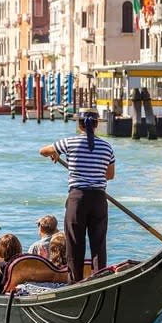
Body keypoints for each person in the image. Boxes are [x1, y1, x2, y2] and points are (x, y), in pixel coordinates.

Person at [39, 107, 115, 283]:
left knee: (74, 244)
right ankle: (100, 280)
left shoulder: (70, 142)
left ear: (79, 124)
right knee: (98, 244)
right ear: (96, 124)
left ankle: (75, 282)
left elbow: (43, 151)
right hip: (98, 199)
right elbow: (110, 175)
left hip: (77, 199)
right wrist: (94, 171)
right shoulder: (107, 147)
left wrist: (56, 153)